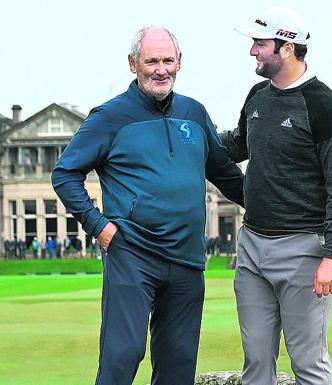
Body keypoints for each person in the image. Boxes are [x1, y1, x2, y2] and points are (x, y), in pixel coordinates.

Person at [52, 26, 244, 385]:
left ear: (180, 62)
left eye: (167, 60)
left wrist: (277, 208)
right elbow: (64, 174)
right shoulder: (109, 117)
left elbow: (226, 174)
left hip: (187, 259)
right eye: (151, 61)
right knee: (123, 355)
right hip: (133, 254)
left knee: (178, 364)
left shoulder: (194, 113)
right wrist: (100, 227)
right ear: (133, 64)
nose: (161, 69)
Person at [219, 7, 332, 385]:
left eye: (260, 44)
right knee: (256, 362)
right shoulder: (258, 96)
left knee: (308, 365)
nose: (253, 52)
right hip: (252, 246)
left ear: (287, 48)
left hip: (303, 253)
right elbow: (236, 145)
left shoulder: (326, 108)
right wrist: (192, 138)